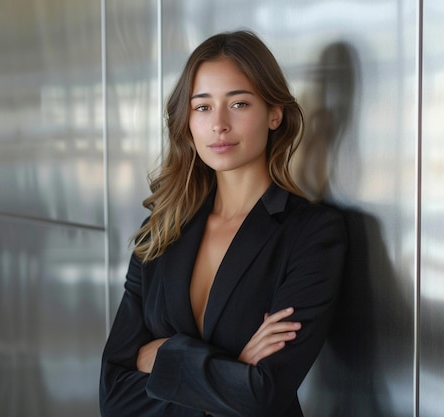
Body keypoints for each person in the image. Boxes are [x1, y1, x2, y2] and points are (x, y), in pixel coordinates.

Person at [99, 30, 347, 417]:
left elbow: (263, 394)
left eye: (239, 103)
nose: (219, 124)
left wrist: (160, 354)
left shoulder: (311, 234)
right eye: (202, 107)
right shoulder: (162, 227)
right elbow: (113, 395)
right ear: (188, 121)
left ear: (274, 113)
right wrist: (233, 368)